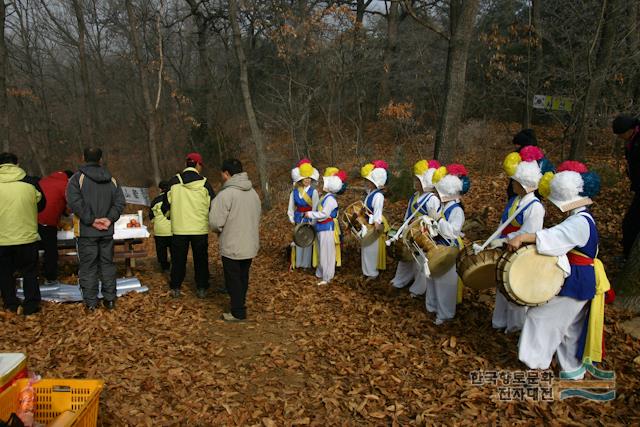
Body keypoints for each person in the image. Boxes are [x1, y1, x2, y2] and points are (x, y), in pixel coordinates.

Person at [507, 161, 608, 377]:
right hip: (581, 278)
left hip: (578, 280)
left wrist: (524, 237)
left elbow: (555, 237)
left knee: (541, 317)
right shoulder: (580, 217)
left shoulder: (580, 221)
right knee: (570, 329)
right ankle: (572, 371)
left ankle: (536, 365)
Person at [491, 146, 546, 333]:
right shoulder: (514, 200)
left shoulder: (535, 207)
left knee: (514, 288)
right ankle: (499, 321)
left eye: (514, 181)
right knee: (501, 286)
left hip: (519, 252)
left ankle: (515, 326)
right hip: (505, 245)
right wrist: (495, 238)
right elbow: (503, 222)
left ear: (523, 183)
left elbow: (530, 232)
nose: (511, 184)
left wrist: (506, 239)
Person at [66, 148, 125, 311]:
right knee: (107, 264)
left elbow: (74, 202)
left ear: (83, 157)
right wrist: (108, 219)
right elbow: (120, 202)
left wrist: (92, 220)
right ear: (100, 159)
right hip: (106, 231)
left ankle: (91, 302)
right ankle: (110, 299)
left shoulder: (76, 179)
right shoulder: (112, 179)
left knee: (88, 266)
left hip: (86, 232)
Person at [209, 159, 261, 321]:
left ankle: (238, 311)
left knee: (233, 279)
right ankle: (240, 304)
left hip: (232, 243)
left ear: (226, 174)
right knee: (243, 276)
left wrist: (220, 230)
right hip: (249, 242)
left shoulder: (226, 194)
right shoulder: (253, 193)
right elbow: (257, 216)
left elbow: (215, 222)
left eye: (222, 173)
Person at [162, 153, 215, 299]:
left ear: (186, 164)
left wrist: (171, 217)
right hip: (199, 229)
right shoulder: (205, 184)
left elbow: (164, 207)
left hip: (179, 229)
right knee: (201, 259)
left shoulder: (173, 182)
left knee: (178, 259)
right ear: (198, 165)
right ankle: (202, 287)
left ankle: (176, 287)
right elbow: (213, 205)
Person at [0, 152, 46, 315]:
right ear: (17, 164)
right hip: (26, 236)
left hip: (2, 239)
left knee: (4, 272)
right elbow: (41, 206)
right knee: (29, 271)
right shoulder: (31, 183)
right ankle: (31, 305)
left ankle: (10, 304)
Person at [390, 160, 441, 296]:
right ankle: (400, 280)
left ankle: (418, 289)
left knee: (420, 262)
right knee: (404, 258)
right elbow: (408, 215)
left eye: (418, 180)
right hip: (410, 232)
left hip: (423, 235)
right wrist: (403, 228)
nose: (415, 182)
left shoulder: (432, 199)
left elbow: (434, 220)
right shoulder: (414, 196)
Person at [428, 164, 470, 325]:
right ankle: (433, 307)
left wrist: (438, 219)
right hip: (439, 245)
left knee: (445, 282)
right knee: (434, 276)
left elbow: (452, 231)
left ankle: (445, 314)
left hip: (449, 247)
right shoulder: (445, 206)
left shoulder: (457, 210)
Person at [305, 167, 347, 286]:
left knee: (327, 253)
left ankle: (327, 277)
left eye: (325, 182)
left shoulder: (331, 200)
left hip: (327, 228)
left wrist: (310, 214)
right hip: (321, 227)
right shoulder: (325, 197)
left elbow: (324, 215)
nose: (323, 184)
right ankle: (320, 272)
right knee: (321, 251)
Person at [37, 170, 74, 284]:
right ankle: (50, 277)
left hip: (31, 219)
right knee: (51, 250)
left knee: (33, 248)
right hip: (48, 221)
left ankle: (34, 276)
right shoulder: (65, 185)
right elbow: (72, 203)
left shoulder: (43, 181)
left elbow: (54, 199)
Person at [612, 115, 640, 258]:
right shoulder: (632, 140)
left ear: (629, 130)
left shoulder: (637, 141)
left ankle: (627, 256)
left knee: (630, 223)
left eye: (621, 134)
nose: (620, 137)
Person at [359, 160, 390, 281]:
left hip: (374, 223)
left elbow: (377, 211)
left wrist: (376, 225)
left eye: (369, 181)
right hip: (367, 222)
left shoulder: (378, 196)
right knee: (366, 248)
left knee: (371, 249)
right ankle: (366, 271)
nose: (367, 183)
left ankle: (372, 273)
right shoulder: (371, 193)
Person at [287, 159, 319, 270]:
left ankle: (306, 264)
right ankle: (298, 263)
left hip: (309, 218)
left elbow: (315, 207)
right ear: (301, 179)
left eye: (309, 178)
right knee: (298, 239)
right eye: (305, 178)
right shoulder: (294, 192)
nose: (307, 180)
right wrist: (291, 217)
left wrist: (313, 220)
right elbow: (291, 206)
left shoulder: (314, 192)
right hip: (298, 218)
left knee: (308, 240)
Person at [149, 180, 172, 272]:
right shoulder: (172, 199)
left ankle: (164, 267)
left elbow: (151, 216)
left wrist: (156, 221)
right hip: (172, 229)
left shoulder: (155, 201)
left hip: (159, 230)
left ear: (160, 189)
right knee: (174, 249)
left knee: (161, 250)